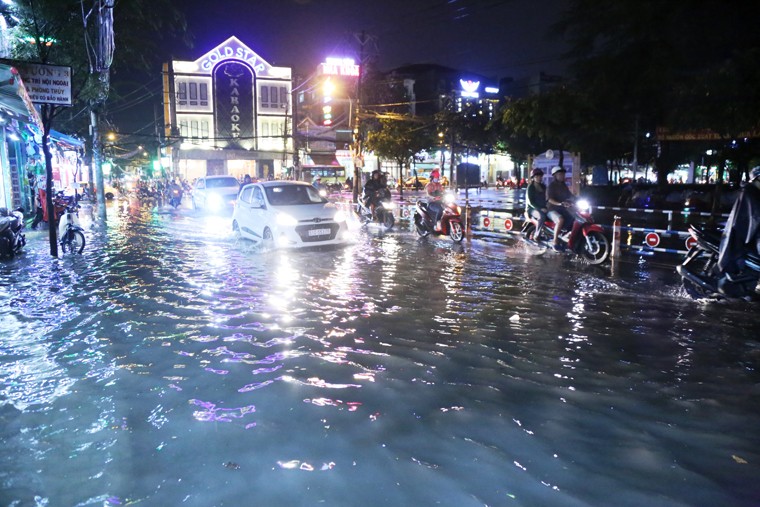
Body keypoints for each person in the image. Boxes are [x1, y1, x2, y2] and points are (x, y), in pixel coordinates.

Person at [716, 166, 760, 282]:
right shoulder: (750, 193)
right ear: (757, 179)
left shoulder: (753, 192)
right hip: (745, 232)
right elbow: (755, 216)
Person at [546, 166, 576, 251]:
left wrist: (577, 199)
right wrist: (560, 203)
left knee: (574, 217)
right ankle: (555, 242)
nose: (562, 176)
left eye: (563, 174)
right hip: (551, 209)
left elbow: (570, 195)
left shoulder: (564, 186)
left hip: (562, 209)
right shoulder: (551, 186)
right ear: (555, 175)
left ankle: (566, 237)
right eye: (560, 174)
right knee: (560, 219)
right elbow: (550, 199)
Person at [526, 168, 548, 240]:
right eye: (536, 176)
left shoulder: (543, 186)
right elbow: (531, 202)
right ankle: (537, 234)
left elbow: (547, 197)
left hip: (543, 207)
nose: (539, 178)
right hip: (532, 209)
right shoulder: (530, 187)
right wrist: (541, 208)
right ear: (533, 178)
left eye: (540, 176)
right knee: (541, 216)